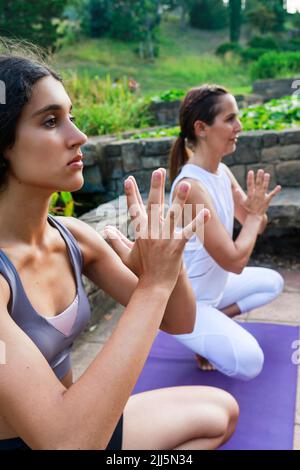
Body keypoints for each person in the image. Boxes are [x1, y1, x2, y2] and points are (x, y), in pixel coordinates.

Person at [0, 53, 239, 450]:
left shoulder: (72, 236)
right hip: (60, 438)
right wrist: (152, 288)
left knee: (220, 413)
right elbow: (66, 443)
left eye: (71, 117)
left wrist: (164, 263)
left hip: (83, 423)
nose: (79, 137)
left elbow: (181, 320)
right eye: (50, 121)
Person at [168, 84, 284, 379]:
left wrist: (256, 213)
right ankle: (189, 329)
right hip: (188, 301)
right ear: (202, 128)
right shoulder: (191, 188)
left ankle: (212, 325)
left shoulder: (221, 172)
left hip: (216, 289)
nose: (239, 126)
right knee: (249, 362)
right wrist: (255, 216)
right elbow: (234, 260)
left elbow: (255, 223)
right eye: (230, 118)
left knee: (273, 282)